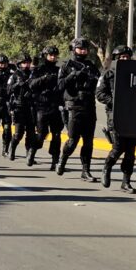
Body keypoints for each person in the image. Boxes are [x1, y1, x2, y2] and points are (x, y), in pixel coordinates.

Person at [57, 38, 101, 182]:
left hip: (89, 106)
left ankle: (85, 171)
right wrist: (73, 75)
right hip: (74, 106)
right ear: (73, 49)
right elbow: (60, 85)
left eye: (85, 48)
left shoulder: (91, 66)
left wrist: (92, 79)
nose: (82, 51)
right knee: (73, 140)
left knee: (88, 142)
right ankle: (62, 160)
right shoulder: (66, 66)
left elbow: (99, 83)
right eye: (80, 48)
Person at [96, 45, 136, 193]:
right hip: (115, 115)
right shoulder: (108, 73)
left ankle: (126, 182)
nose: (124, 59)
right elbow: (100, 94)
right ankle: (107, 167)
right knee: (118, 147)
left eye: (127, 57)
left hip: (133, 115)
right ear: (116, 58)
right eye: (121, 57)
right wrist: (115, 101)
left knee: (131, 151)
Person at [28, 46, 64, 171]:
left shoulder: (60, 70)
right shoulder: (39, 70)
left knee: (57, 134)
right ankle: (32, 150)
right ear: (45, 56)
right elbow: (31, 84)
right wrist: (43, 79)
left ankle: (55, 161)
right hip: (41, 107)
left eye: (55, 55)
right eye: (50, 55)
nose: (53, 57)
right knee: (42, 133)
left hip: (56, 107)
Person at [7, 53, 36, 163]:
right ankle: (12, 149)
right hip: (19, 107)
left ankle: (29, 155)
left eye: (28, 62)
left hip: (31, 107)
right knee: (19, 134)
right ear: (19, 64)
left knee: (31, 134)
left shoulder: (33, 74)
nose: (26, 65)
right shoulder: (14, 75)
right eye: (24, 63)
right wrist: (18, 85)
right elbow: (8, 90)